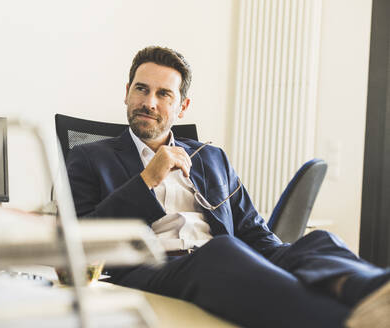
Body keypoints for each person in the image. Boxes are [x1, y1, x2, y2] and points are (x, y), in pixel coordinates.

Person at [66, 46, 390, 328]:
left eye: (164, 94)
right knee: (223, 250)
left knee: (317, 241)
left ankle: (376, 296)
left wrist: (288, 259)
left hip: (223, 261)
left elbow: (254, 232)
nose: (149, 102)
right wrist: (148, 178)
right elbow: (80, 240)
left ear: (182, 106)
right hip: (153, 269)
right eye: (141, 89)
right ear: (126, 92)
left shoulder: (211, 157)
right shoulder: (88, 157)